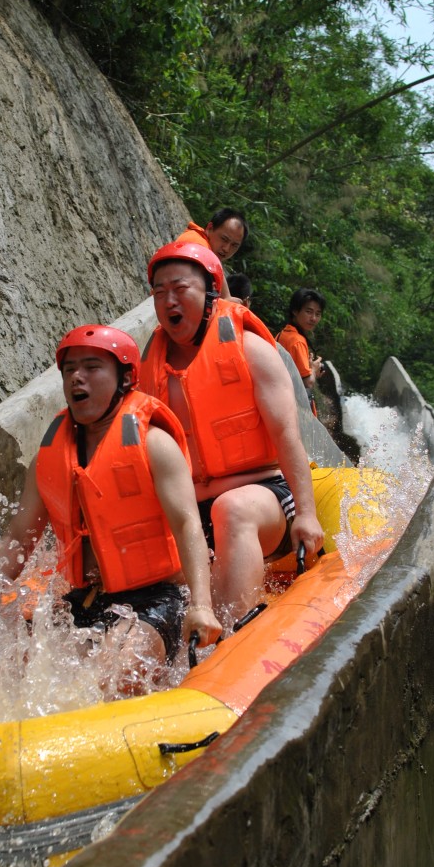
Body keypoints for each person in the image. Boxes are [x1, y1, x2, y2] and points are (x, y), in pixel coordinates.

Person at [0, 325, 222, 688]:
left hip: (156, 598)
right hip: (84, 598)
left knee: (114, 677)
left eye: (92, 367)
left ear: (125, 379)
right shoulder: (48, 459)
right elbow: (18, 538)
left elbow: (188, 524)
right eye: (70, 369)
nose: (78, 377)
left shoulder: (154, 445)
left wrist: (201, 605)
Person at [140, 241, 324, 626]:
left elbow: (287, 435)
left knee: (232, 509)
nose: (168, 300)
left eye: (179, 289)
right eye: (159, 292)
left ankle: (230, 635)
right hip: (190, 508)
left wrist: (307, 513)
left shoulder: (250, 348)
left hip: (263, 498)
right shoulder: (150, 367)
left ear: (210, 293)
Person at [276, 287, 326, 416]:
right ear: (295, 311)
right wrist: (314, 370)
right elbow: (307, 382)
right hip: (295, 409)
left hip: (281, 401)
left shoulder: (283, 334)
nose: (313, 318)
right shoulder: (297, 341)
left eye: (318, 314)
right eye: (309, 312)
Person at [176, 208, 249, 290]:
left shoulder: (210, 255)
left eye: (234, 245)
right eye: (224, 239)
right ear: (209, 228)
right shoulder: (195, 242)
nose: (226, 249)